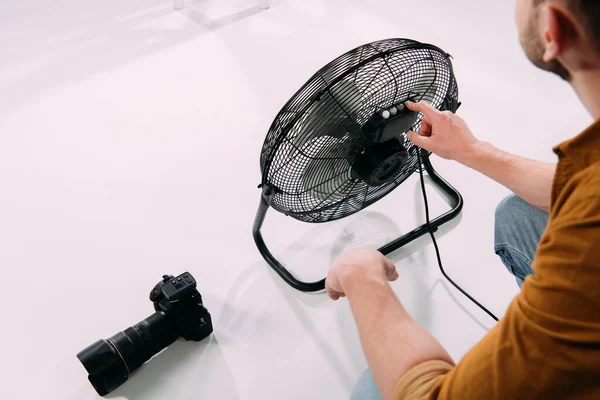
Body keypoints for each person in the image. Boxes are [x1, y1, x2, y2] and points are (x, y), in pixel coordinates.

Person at [325, 0, 600, 398]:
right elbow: (584, 187)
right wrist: (472, 150)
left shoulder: (584, 254)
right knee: (519, 215)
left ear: (553, 27)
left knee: (373, 388)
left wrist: (360, 274)